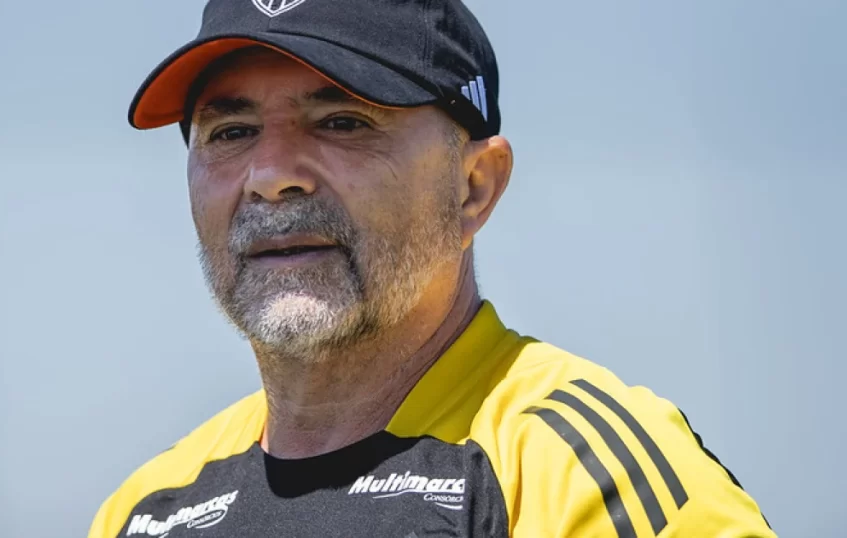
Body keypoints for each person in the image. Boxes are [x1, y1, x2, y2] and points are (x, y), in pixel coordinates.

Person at [88, 0, 774, 536]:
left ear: (474, 186)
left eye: (342, 122)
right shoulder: (145, 510)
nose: (270, 177)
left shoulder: (582, 472)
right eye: (232, 133)